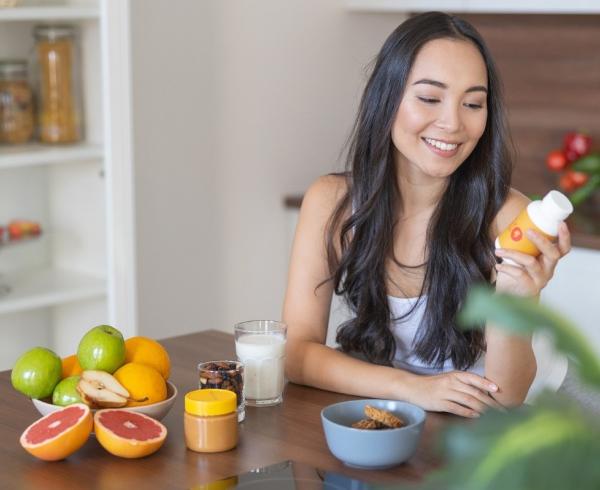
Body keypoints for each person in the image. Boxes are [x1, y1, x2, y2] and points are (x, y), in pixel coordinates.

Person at [282, 11, 571, 418]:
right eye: (430, 98)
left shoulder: (510, 218)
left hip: (536, 416)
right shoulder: (332, 202)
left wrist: (517, 297)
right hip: (418, 410)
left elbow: (506, 397)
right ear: (387, 98)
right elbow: (296, 355)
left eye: (473, 103)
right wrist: (413, 389)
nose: (453, 123)